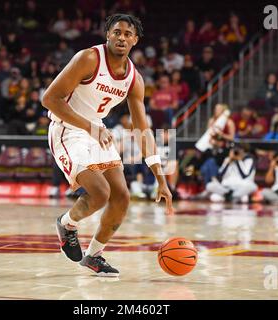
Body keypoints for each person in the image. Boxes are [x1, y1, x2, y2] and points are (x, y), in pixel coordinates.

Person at [42, 13, 173, 277]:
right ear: (108, 35)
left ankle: (94, 256)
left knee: (122, 197)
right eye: (117, 32)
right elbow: (50, 99)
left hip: (96, 131)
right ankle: (67, 224)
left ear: (135, 40)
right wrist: (90, 127)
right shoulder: (88, 58)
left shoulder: (134, 79)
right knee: (100, 192)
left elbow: (142, 130)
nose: (121, 37)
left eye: (127, 34)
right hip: (68, 129)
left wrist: (161, 177)